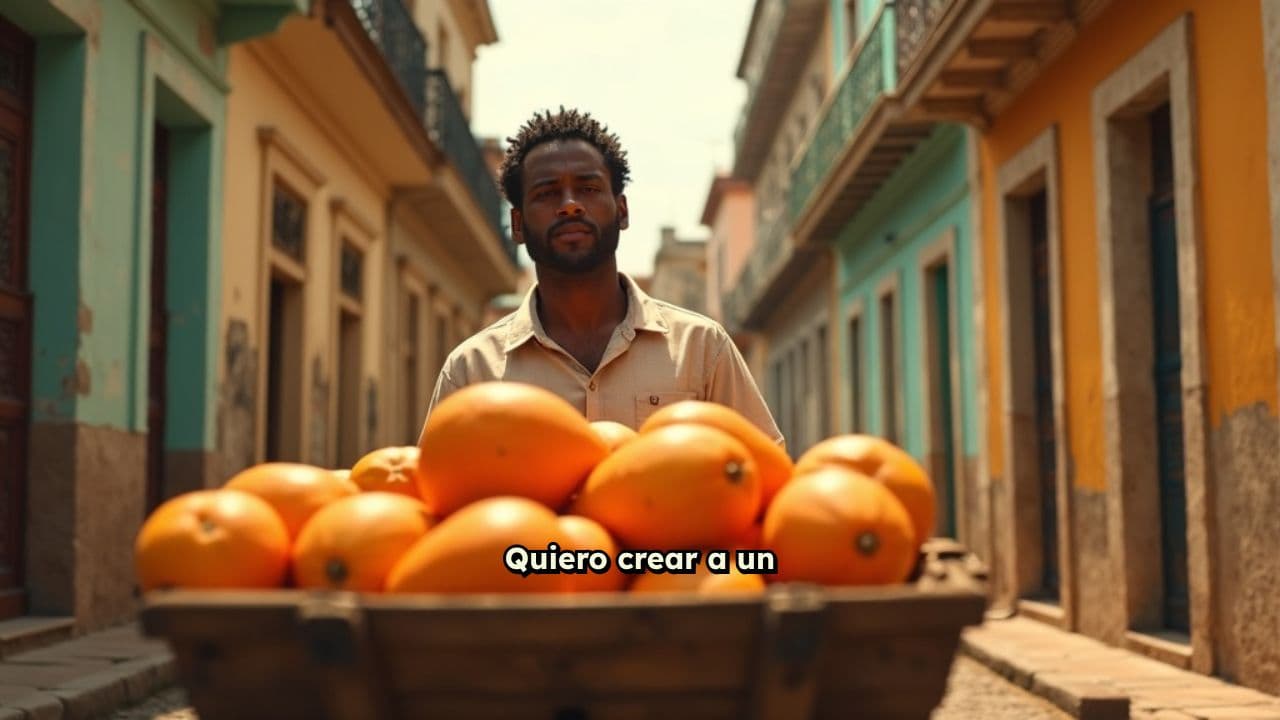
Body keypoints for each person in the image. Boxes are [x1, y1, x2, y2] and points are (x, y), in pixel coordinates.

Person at [420, 107, 783, 446]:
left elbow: (766, 476)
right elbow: (436, 496)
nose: (570, 204)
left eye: (589, 189)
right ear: (518, 225)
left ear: (621, 211)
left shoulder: (702, 350)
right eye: (547, 193)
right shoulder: (471, 370)